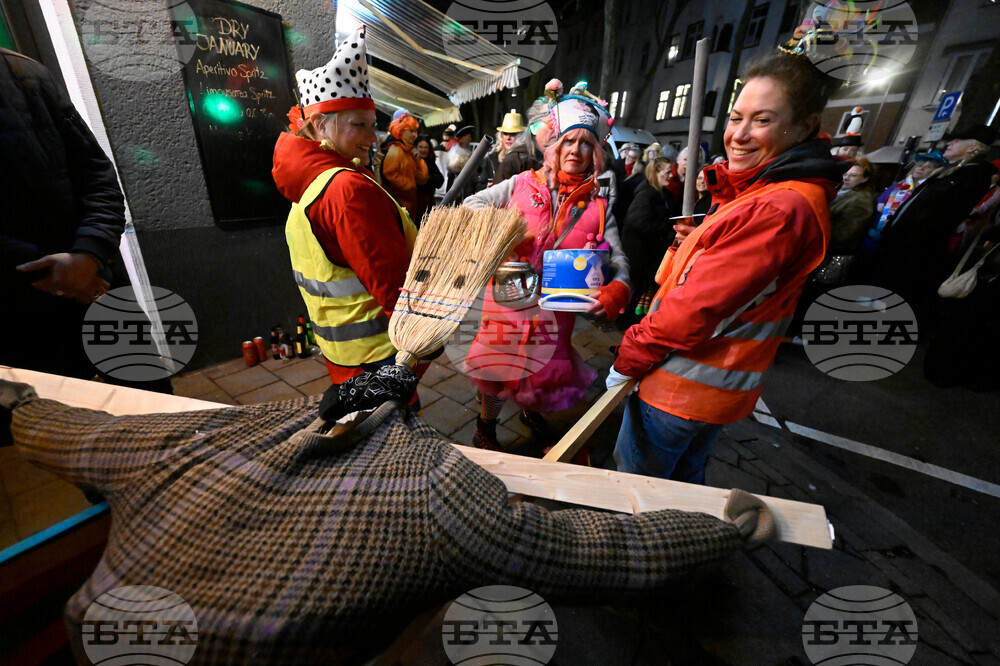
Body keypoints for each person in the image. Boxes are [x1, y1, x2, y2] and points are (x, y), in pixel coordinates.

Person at [1, 377, 771, 664]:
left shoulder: (217, 430)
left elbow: (81, 433)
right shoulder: (440, 490)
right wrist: (724, 531)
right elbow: (596, 551)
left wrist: (19, 407)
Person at [609, 52, 846, 484]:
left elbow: (692, 311)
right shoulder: (769, 190)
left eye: (763, 120)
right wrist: (699, 241)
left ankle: (641, 552)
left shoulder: (779, 206)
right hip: (708, 386)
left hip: (682, 380)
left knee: (638, 487)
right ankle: (687, 544)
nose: (738, 134)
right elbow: (739, 279)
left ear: (805, 125)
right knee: (684, 480)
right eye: (736, 117)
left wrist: (629, 354)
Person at [463, 83, 632, 451]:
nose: (576, 150)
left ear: (596, 153)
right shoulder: (521, 184)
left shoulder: (598, 206)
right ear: (553, 145)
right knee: (499, 373)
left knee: (540, 375)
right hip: (508, 302)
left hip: (555, 314)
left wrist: (616, 286)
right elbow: (473, 203)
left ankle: (529, 412)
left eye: (586, 143)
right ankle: (486, 425)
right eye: (569, 141)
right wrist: (504, 235)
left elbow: (618, 258)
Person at [274, 27, 423, 387]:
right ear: (320, 126)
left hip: (343, 357)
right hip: (381, 356)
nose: (373, 139)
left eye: (374, 126)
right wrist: (424, 341)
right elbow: (393, 288)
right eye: (359, 125)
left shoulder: (310, 183)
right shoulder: (345, 188)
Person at [1, 47, 128, 445]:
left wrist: (89, 252)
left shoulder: (28, 75)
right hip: (21, 317)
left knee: (153, 402)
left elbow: (98, 174)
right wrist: (62, 276)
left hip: (100, 288)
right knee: (74, 440)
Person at [876, 124, 997, 315]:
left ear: (974, 147)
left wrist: (910, 239)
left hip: (915, 249)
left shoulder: (973, 175)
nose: (950, 143)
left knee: (899, 295)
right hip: (902, 244)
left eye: (957, 141)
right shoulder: (952, 171)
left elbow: (942, 215)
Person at [622, 157, 675, 319]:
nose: (671, 176)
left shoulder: (662, 194)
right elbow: (637, 222)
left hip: (649, 253)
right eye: (667, 172)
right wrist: (665, 231)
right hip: (640, 253)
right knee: (637, 291)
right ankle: (626, 319)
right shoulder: (646, 194)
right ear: (656, 172)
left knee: (644, 292)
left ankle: (634, 319)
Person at [494, 94, 556, 184]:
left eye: (558, 123)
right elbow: (496, 196)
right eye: (550, 122)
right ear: (534, 127)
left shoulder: (565, 159)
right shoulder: (515, 160)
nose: (555, 128)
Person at [379, 110, 428, 220]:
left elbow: (422, 179)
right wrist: (410, 185)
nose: (414, 135)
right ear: (400, 130)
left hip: (408, 207)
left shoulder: (408, 152)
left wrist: (418, 161)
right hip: (398, 207)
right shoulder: (396, 150)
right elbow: (389, 173)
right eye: (411, 131)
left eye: (416, 131)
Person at [413, 134, 443, 225]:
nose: (423, 150)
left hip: (428, 203)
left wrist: (427, 179)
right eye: (421, 147)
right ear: (416, 148)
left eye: (426, 147)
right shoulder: (411, 162)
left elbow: (440, 180)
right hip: (415, 204)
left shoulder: (431, 162)